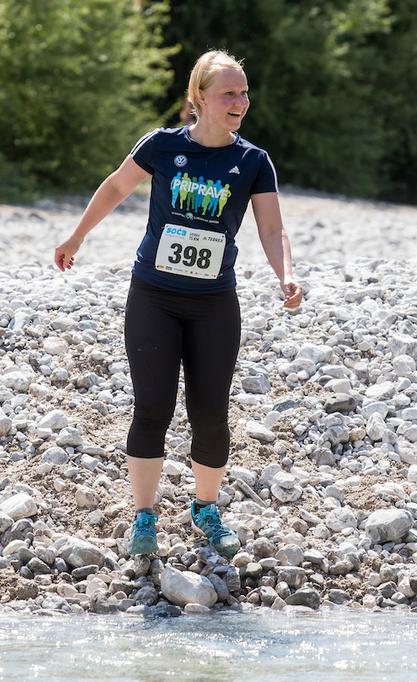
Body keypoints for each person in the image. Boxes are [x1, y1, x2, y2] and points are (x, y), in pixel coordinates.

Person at [54, 50, 302, 559]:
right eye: (229, 93)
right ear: (200, 98)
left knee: (210, 414)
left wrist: (287, 275)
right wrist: (77, 237)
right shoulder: (164, 146)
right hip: (154, 297)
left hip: (214, 303)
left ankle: (205, 508)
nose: (241, 102)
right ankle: (144, 518)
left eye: (244, 92)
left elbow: (272, 228)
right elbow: (116, 187)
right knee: (153, 407)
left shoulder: (253, 161)